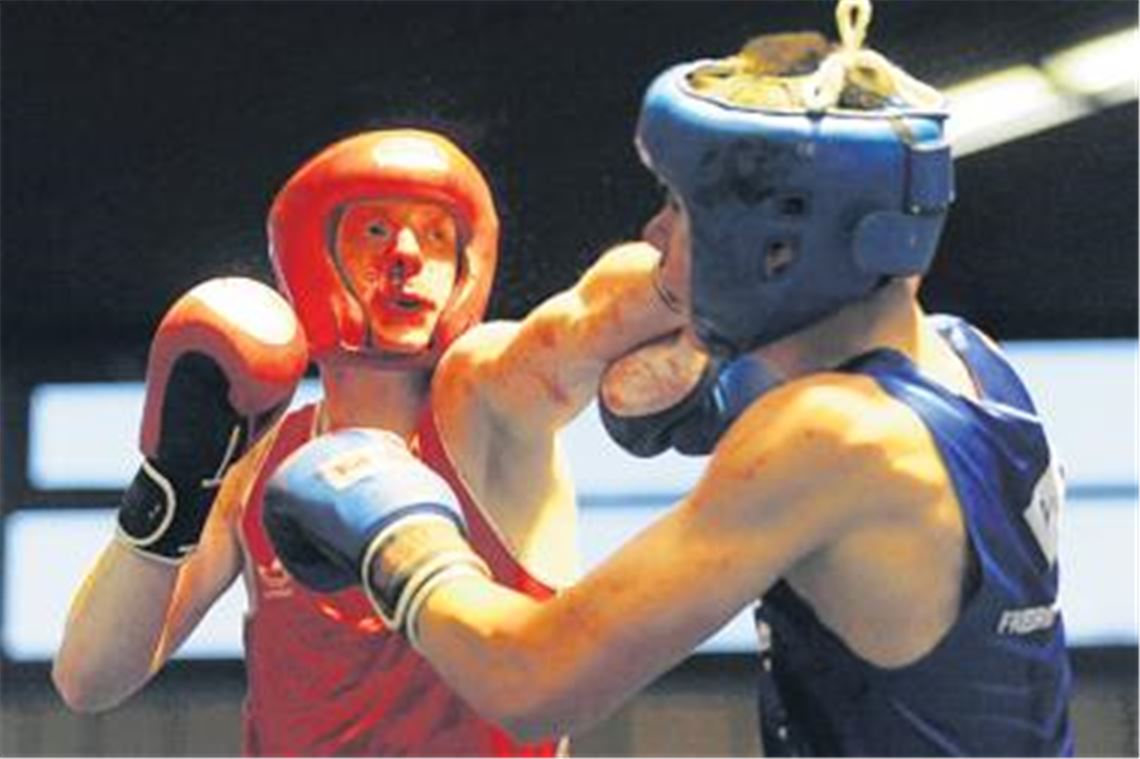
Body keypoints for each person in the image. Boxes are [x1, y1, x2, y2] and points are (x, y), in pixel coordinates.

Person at [261, 3, 1074, 755]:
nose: (655, 230)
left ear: (777, 247)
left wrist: (402, 537)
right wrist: (720, 385)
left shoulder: (827, 439)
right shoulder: (970, 361)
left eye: (680, 209)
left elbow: (535, 680)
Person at [52, 129, 687, 755]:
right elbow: (89, 679)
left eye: (437, 236)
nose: (407, 255)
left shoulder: (486, 400)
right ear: (311, 257)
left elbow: (585, 320)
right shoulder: (260, 464)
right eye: (376, 231)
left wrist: (689, 270)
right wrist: (175, 480)